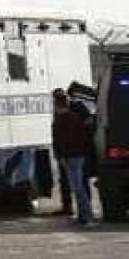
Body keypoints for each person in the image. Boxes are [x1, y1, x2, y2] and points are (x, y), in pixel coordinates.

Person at [51, 88, 96, 227]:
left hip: (75, 156)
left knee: (78, 187)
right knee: (77, 186)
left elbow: (59, 140)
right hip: (73, 156)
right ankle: (83, 215)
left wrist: (60, 155)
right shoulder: (67, 117)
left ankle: (86, 216)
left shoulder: (69, 117)